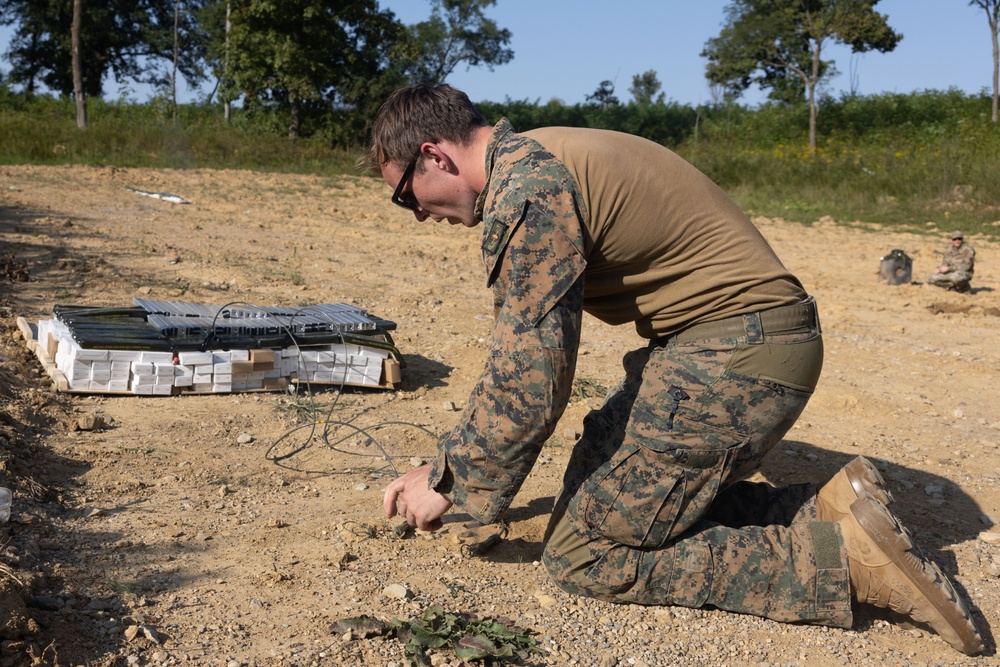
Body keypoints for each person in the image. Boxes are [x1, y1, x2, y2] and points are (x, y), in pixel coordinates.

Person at [370, 83, 982, 655]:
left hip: (738, 355)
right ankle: (824, 505)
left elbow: (533, 373)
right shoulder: (539, 155)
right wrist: (459, 467)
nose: (419, 215)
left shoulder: (527, 190)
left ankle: (841, 560)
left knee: (586, 551)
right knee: (593, 494)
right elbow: (522, 357)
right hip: (727, 344)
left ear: (435, 156)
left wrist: (452, 481)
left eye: (407, 196)